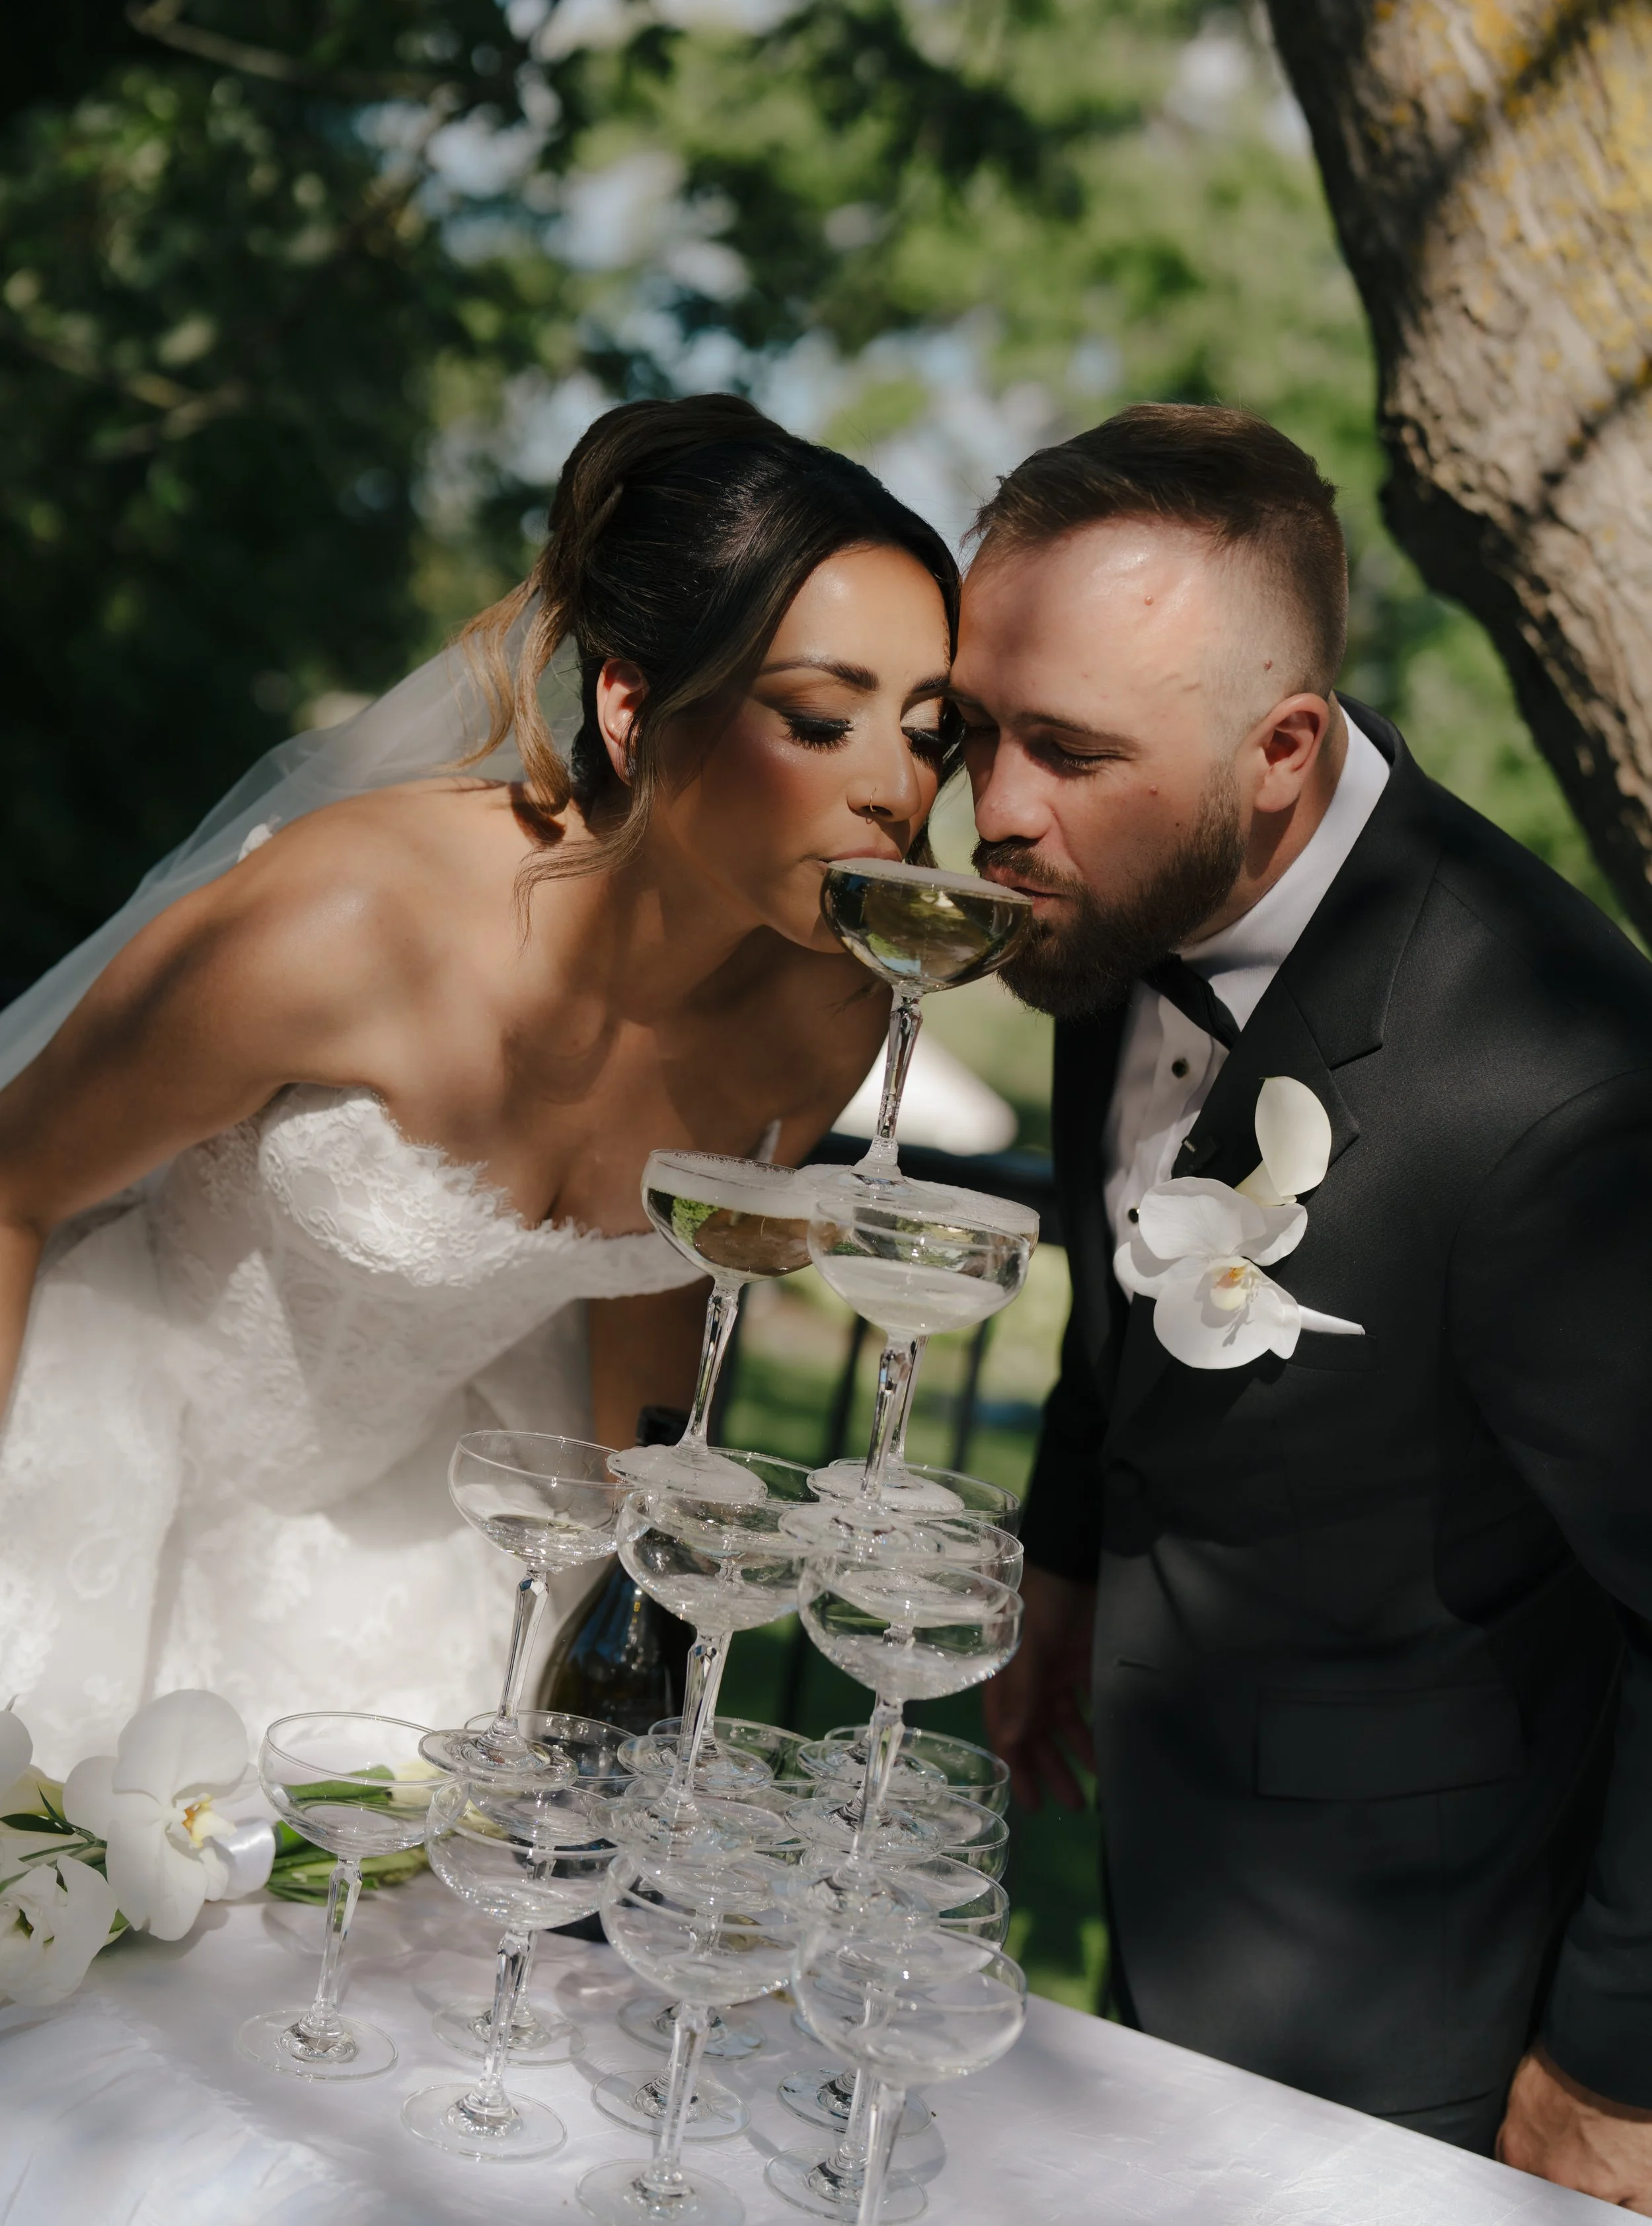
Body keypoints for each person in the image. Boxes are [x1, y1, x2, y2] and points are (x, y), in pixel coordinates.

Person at [0, 394, 959, 1773]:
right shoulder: (346, 926)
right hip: (82, 1468)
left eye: (928, 733)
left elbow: (665, 1303)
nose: (893, 790)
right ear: (630, 703)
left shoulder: (825, 1010)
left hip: (398, 1558)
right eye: (819, 719)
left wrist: (631, 1648)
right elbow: (12, 1184)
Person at [963, 404, 1652, 2209]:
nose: (990, 815)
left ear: (1279, 749)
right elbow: (1122, 1292)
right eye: (975, 731)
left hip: (1421, 1994)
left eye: (1063, 750)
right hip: (1167, 1877)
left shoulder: (1556, 1079)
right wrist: (1063, 1569)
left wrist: (1605, 2074)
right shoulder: (1117, 897)